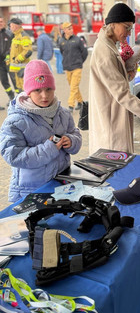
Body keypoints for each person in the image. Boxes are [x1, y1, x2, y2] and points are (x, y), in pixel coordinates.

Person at [0, 59, 82, 203]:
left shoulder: (63, 113)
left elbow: (75, 133)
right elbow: (13, 155)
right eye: (37, 90)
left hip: (60, 185)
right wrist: (48, 149)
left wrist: (72, 140)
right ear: (28, 91)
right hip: (31, 191)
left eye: (48, 89)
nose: (44, 96)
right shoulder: (15, 121)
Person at [89, 3, 140, 155]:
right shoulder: (105, 51)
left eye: (130, 28)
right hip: (111, 121)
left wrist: (128, 70)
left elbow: (114, 82)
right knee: (114, 168)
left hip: (114, 115)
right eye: (127, 27)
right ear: (113, 24)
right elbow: (121, 94)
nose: (129, 33)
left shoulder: (109, 46)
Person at [59, 22, 88, 112]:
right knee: (73, 86)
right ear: (64, 30)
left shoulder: (78, 40)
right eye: (69, 29)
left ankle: (70, 105)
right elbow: (61, 52)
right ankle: (81, 102)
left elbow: (84, 52)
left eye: (72, 28)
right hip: (67, 67)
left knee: (73, 87)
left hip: (77, 67)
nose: (71, 30)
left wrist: (79, 62)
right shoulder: (61, 41)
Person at [9, 17, 32, 92]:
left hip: (22, 69)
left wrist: (17, 60)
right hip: (16, 70)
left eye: (11, 26)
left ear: (15, 26)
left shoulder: (23, 36)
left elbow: (28, 51)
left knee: (25, 89)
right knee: (19, 89)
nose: (10, 27)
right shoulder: (15, 37)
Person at [0, 16, 14, 108]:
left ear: (5, 23)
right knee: (4, 81)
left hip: (9, 61)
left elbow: (13, 47)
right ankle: (11, 96)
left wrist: (8, 56)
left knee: (15, 80)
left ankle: (17, 101)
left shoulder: (9, 33)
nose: (0, 23)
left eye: (1, 21)